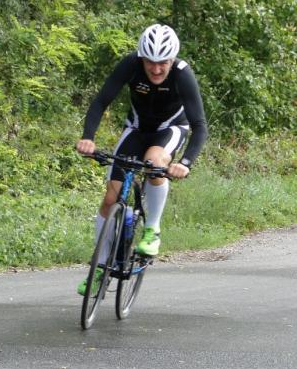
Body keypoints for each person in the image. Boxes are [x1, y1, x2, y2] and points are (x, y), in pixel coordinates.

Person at [75, 23, 208, 295]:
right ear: (142, 58)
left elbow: (199, 125)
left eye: (163, 63)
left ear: (172, 59)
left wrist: (185, 163)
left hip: (170, 129)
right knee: (110, 200)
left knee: (154, 162)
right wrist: (88, 137)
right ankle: (100, 268)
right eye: (150, 62)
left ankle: (152, 230)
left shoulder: (182, 73)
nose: (156, 69)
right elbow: (101, 101)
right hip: (136, 129)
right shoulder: (130, 64)